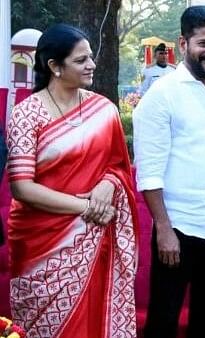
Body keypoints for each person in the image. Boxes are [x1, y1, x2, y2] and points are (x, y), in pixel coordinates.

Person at [6, 24, 138, 337]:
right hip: (41, 242)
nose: (91, 65)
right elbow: (22, 187)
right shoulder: (27, 114)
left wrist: (109, 183)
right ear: (54, 66)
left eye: (91, 57)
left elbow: (119, 165)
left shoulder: (103, 110)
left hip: (96, 235)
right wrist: (86, 206)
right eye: (81, 60)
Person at [133, 6, 205, 338]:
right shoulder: (161, 95)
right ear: (183, 43)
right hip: (178, 227)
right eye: (204, 43)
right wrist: (164, 229)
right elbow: (150, 173)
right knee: (164, 319)